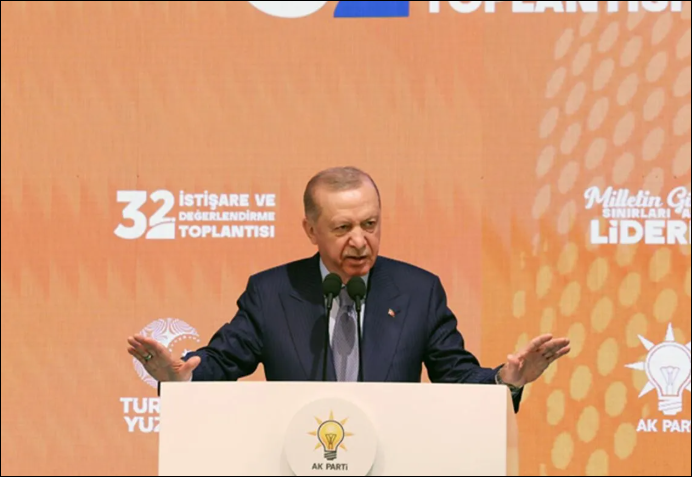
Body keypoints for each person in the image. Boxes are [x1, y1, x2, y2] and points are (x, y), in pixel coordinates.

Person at [127, 167, 570, 412]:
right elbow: (223, 361)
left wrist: (505, 380)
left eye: (370, 224)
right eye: (343, 228)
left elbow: (455, 376)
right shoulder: (271, 292)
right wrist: (181, 379)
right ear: (311, 230)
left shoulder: (418, 291)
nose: (360, 241)